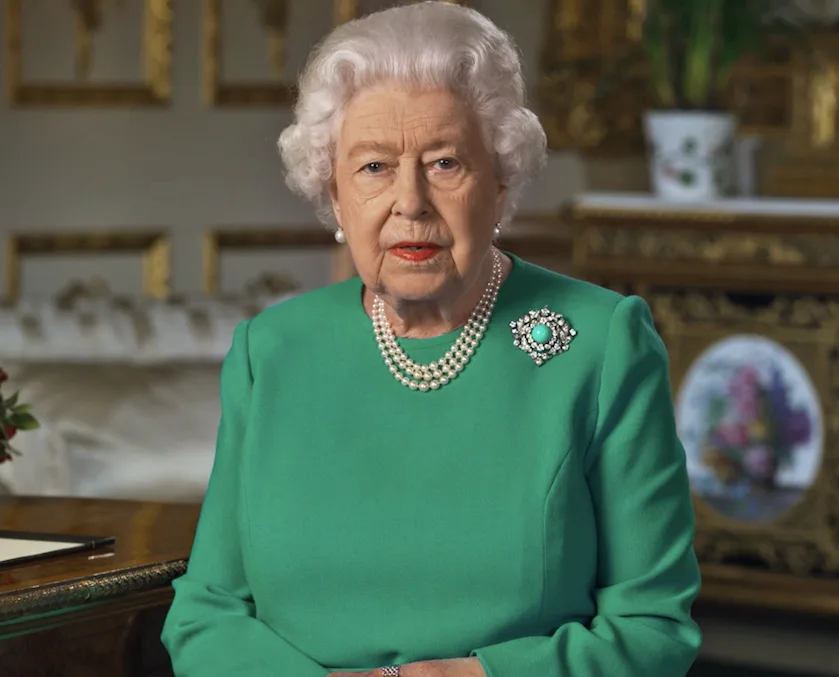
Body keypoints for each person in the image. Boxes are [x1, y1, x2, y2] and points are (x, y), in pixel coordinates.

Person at [161, 3, 702, 676]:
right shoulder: (270, 351)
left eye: (445, 163)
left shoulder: (600, 344)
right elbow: (205, 611)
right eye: (373, 168)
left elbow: (651, 630)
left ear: (499, 183)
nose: (410, 202)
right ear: (333, 193)